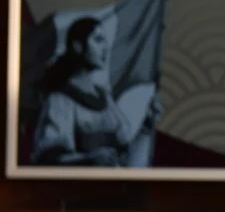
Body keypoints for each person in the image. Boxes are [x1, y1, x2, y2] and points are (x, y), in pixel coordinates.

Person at [30, 16, 161, 166]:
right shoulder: (60, 100)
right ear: (78, 46)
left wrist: (146, 125)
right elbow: (49, 158)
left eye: (104, 41)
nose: (105, 48)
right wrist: (89, 159)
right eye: (98, 40)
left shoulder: (105, 99)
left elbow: (129, 160)